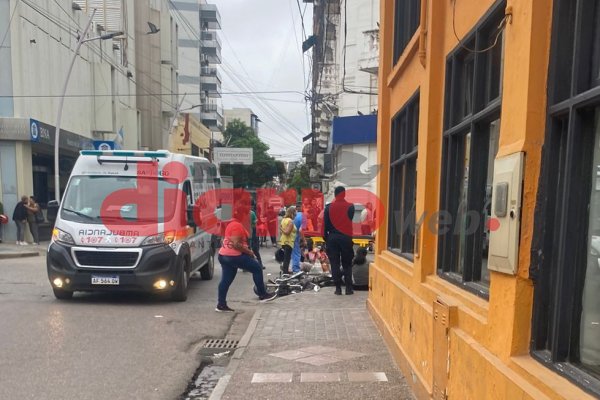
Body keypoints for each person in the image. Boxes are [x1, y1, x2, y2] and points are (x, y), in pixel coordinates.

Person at [216, 192, 276, 312]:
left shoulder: (231, 223)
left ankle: (221, 304)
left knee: (226, 280)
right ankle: (262, 295)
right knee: (257, 268)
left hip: (224, 255)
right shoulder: (236, 225)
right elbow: (236, 244)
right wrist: (249, 252)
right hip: (233, 256)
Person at [323, 186, 355, 295]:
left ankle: (338, 288)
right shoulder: (350, 207)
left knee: (334, 263)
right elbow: (349, 220)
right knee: (347, 263)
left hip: (332, 238)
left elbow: (325, 226)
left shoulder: (328, 208)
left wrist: (327, 239)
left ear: (335, 195)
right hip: (346, 237)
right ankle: (349, 288)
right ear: (344, 194)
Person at [279, 206, 297, 275]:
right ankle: (285, 272)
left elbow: (282, 232)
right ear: (292, 213)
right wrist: (282, 229)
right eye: (295, 213)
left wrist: (281, 229)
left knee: (285, 258)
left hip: (284, 241)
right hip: (289, 242)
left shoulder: (284, 220)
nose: (295, 214)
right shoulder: (290, 221)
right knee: (287, 258)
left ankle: (285, 271)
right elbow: (287, 232)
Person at [291, 202, 306, 273]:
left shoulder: (294, 215)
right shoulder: (304, 216)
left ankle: (294, 268)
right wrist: (304, 240)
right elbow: (301, 230)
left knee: (294, 253)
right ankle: (296, 270)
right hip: (297, 237)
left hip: (290, 236)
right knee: (297, 253)